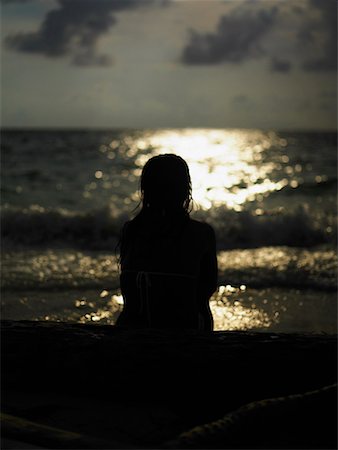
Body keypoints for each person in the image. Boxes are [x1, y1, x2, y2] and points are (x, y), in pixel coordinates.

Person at [116, 154, 217, 331]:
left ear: (145, 190)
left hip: (132, 331)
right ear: (185, 190)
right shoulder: (202, 234)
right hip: (184, 332)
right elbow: (206, 291)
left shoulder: (130, 230)